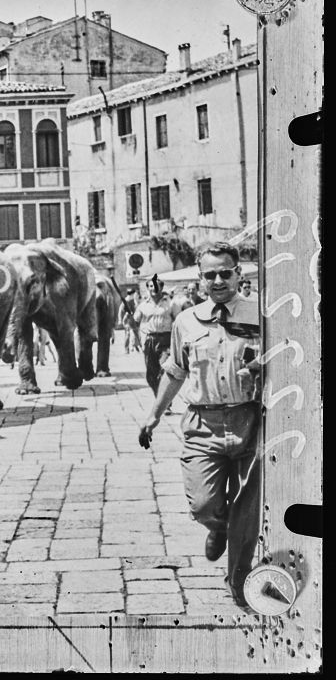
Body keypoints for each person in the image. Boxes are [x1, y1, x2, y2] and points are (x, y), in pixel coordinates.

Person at [138, 242, 261, 608]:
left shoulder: (261, 315)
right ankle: (215, 525)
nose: (219, 280)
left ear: (239, 274)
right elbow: (175, 371)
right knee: (203, 504)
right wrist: (154, 415)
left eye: (226, 272)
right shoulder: (185, 321)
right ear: (200, 278)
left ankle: (238, 581)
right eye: (211, 274)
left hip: (248, 420)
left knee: (247, 511)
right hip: (201, 424)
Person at [131, 275, 185, 400]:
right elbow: (135, 321)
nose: (153, 288)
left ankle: (165, 402)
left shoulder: (170, 303)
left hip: (166, 340)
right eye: (151, 286)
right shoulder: (143, 305)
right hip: (150, 340)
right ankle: (159, 397)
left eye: (156, 286)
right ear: (148, 289)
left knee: (164, 370)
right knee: (151, 374)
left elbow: (179, 320)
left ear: (161, 287)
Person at [118, 288, 140, 353]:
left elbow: (137, 308)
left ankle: (136, 346)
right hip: (127, 318)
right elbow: (120, 310)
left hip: (132, 318)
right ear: (133, 294)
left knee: (136, 332)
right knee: (128, 333)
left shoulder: (133, 300)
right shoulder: (126, 301)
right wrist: (120, 319)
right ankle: (126, 349)